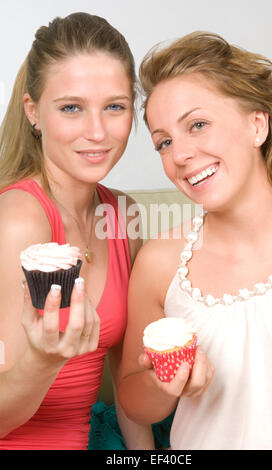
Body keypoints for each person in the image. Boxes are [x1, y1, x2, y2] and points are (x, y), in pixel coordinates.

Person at [118, 31, 272, 450]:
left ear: (257, 125)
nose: (179, 155)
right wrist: (164, 383)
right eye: (164, 142)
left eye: (197, 125)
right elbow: (133, 402)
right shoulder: (160, 261)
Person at [0, 12, 155, 450]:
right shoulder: (19, 219)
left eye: (115, 107)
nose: (97, 131)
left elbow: (126, 386)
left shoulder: (124, 214)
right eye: (72, 107)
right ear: (34, 111)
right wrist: (43, 361)